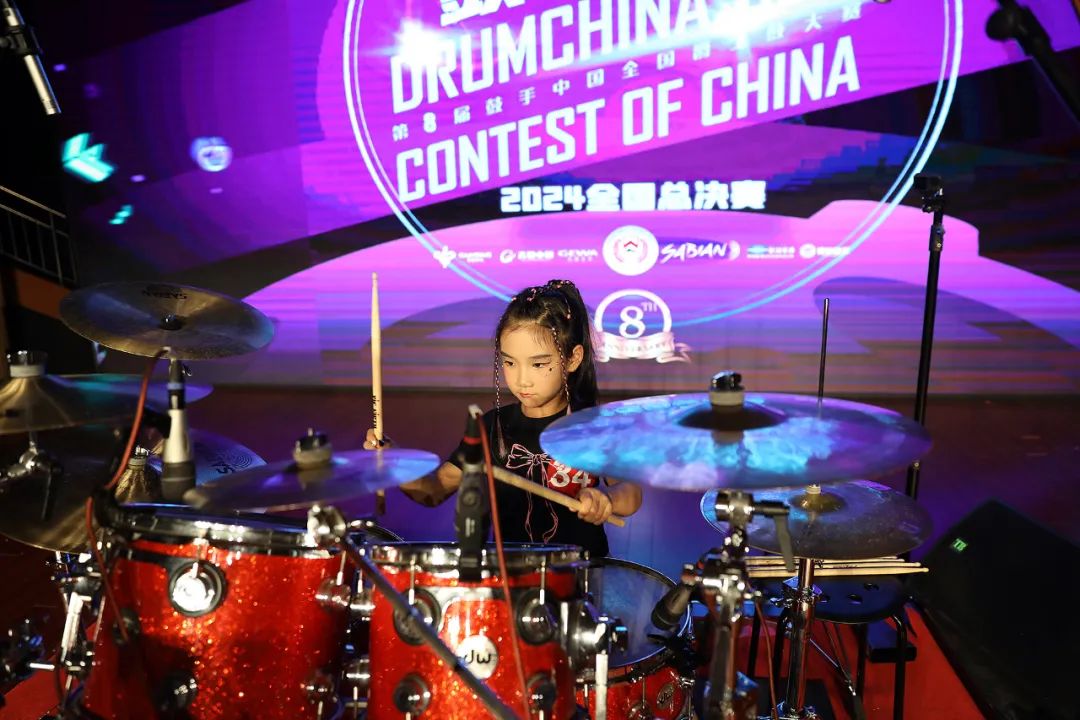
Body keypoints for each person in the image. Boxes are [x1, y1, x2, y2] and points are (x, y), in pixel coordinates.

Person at [364, 279, 641, 558]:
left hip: (581, 572)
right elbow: (433, 490)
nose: (522, 379)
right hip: (512, 572)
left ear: (572, 359)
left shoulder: (595, 427)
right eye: (509, 362)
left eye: (538, 364)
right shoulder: (491, 428)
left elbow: (631, 493)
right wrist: (393, 461)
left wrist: (607, 499)